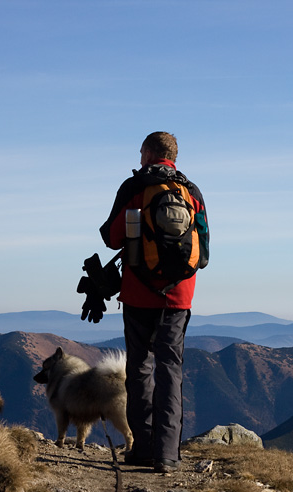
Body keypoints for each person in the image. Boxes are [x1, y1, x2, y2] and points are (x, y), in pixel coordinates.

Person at [99, 132, 209, 473]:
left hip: (138, 292)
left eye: (141, 150)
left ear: (148, 153)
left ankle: (142, 448)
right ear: (174, 155)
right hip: (178, 296)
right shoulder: (191, 192)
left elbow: (110, 236)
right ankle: (167, 454)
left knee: (140, 368)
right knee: (170, 369)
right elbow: (203, 254)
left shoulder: (134, 187)